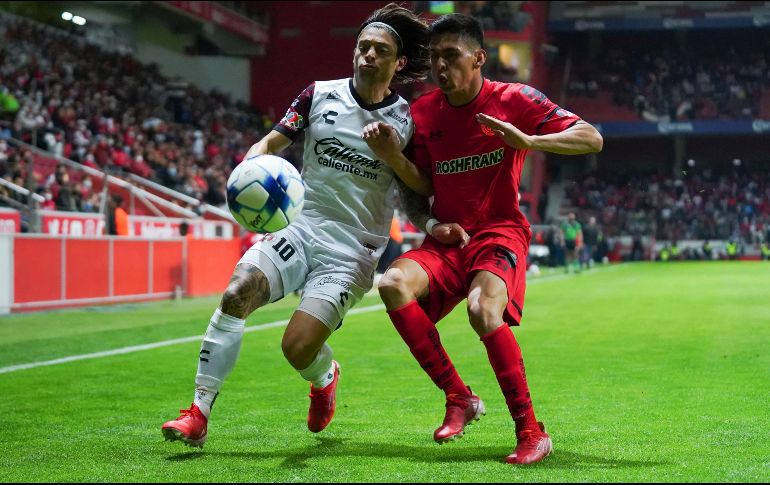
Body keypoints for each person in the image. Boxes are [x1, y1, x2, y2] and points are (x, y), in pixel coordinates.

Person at [161, 4, 432, 448]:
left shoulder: (407, 120)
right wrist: (251, 163)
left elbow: (419, 185)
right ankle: (197, 413)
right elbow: (273, 140)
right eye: (362, 46)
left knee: (296, 348)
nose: (367, 55)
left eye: (379, 50)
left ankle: (325, 376)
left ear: (399, 63)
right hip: (300, 229)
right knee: (235, 295)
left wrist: (393, 157)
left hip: (352, 251)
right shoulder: (319, 94)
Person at [367, 13, 602, 465]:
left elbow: (591, 138)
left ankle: (532, 431)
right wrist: (398, 164)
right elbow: (419, 188)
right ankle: (459, 397)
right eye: (435, 58)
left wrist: (530, 142)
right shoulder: (422, 112)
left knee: (482, 309)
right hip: (449, 238)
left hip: (500, 231)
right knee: (392, 285)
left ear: (479, 58)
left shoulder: (515, 99)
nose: (440, 66)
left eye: (451, 56)